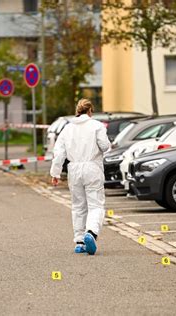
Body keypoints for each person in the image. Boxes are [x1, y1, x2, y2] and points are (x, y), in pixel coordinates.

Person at [50, 99, 111, 255]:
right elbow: (105, 146)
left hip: (74, 169)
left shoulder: (67, 129)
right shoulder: (97, 126)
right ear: (90, 111)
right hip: (92, 167)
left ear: (78, 110)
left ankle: (79, 241)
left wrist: (55, 173)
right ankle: (91, 233)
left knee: (78, 206)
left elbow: (59, 153)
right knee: (95, 204)